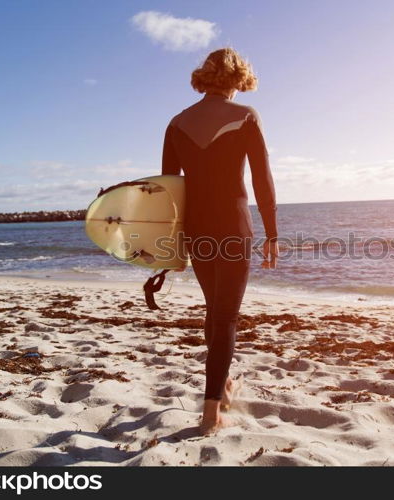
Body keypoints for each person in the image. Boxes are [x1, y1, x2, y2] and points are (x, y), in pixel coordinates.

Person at [161, 47, 279, 435]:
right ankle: (212, 410)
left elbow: (169, 191)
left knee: (215, 309)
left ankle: (222, 384)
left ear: (205, 77)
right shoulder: (245, 116)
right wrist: (273, 234)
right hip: (233, 226)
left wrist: (173, 243)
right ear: (238, 78)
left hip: (196, 230)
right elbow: (262, 180)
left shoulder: (177, 123)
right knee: (226, 315)